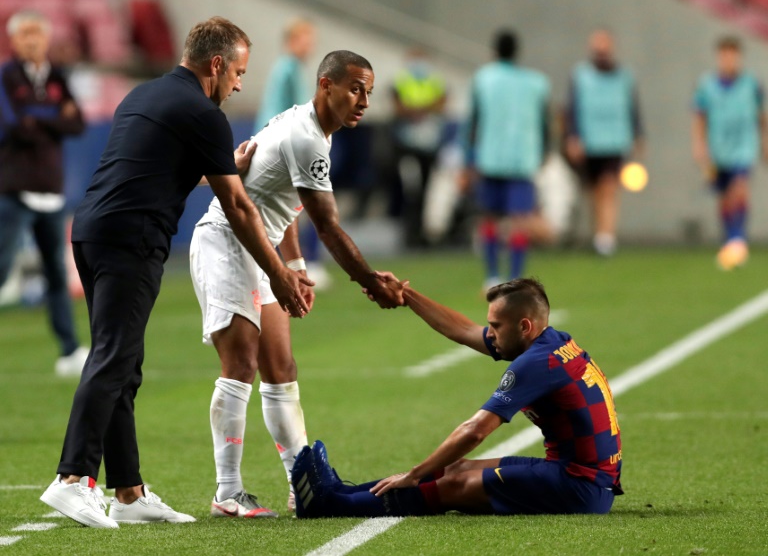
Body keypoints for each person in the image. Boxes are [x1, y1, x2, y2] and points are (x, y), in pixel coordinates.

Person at [40, 17, 312, 529]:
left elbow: (152, 168)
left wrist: (221, 163)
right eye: (237, 72)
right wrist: (278, 272)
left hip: (91, 231)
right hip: (131, 240)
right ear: (216, 64)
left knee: (122, 362)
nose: (238, 83)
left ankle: (129, 491)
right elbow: (237, 203)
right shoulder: (204, 114)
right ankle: (73, 478)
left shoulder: (146, 94)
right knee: (114, 356)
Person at [192, 50, 404, 518]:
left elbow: (281, 203)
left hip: (261, 248)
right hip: (227, 243)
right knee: (241, 361)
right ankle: (227, 492)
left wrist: (296, 263)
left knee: (281, 366)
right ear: (325, 85)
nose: (364, 100)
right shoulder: (307, 138)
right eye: (355, 88)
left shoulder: (309, 130)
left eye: (368, 91)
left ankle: (301, 483)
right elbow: (328, 225)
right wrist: (369, 280)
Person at [292, 278, 623, 518]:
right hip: (581, 476)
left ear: (524, 326)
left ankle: (333, 505)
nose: (489, 333)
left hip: (580, 488)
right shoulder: (552, 342)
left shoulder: (536, 364)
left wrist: (415, 473)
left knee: (455, 486)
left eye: (495, 326)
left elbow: (475, 431)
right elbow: (463, 330)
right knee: (456, 468)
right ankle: (343, 493)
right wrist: (406, 295)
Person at [0, 10, 88, 377]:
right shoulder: (6, 76)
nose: (32, 40)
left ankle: (69, 350)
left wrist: (38, 117)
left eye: (38, 33)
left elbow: (77, 122)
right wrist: (54, 116)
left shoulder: (56, 76)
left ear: (47, 38)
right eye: (25, 34)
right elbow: (11, 125)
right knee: (1, 269)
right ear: (14, 40)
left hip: (50, 190)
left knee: (55, 274)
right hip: (13, 188)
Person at [463, 30, 550, 290]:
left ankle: (491, 276)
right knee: (519, 221)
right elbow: (545, 124)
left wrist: (469, 158)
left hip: (490, 158)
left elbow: (473, 122)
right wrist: (544, 153)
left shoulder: (483, 79)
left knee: (489, 219)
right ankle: (515, 279)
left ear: (494, 51)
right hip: (523, 159)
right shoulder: (537, 82)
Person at [255, 19, 332, 289]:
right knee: (302, 206)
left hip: (283, 145)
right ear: (291, 41)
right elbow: (285, 112)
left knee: (294, 208)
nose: (309, 45)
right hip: (282, 148)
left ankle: (296, 265)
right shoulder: (287, 69)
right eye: (304, 39)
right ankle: (305, 264)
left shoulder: (293, 68)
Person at [564, 29, 643, 257]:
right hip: (590, 140)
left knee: (609, 187)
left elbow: (633, 106)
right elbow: (573, 108)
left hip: (615, 139)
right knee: (594, 190)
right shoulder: (581, 74)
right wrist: (573, 136)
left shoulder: (624, 76)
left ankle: (606, 238)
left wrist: (638, 133)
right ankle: (599, 235)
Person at [692, 36, 767, 270]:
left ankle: (737, 239)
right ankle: (729, 237)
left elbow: (762, 117)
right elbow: (699, 117)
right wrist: (699, 145)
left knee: (740, 188)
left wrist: (765, 143)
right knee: (724, 196)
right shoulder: (707, 85)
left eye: (732, 55)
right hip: (718, 148)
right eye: (724, 55)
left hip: (743, 146)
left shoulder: (751, 85)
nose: (728, 60)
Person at [390, 47, 448, 248]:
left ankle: (422, 234)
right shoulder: (402, 80)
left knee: (426, 192)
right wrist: (418, 110)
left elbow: (443, 102)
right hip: (407, 146)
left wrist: (421, 109)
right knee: (410, 191)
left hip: (429, 146)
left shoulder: (433, 80)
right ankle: (409, 234)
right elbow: (396, 105)